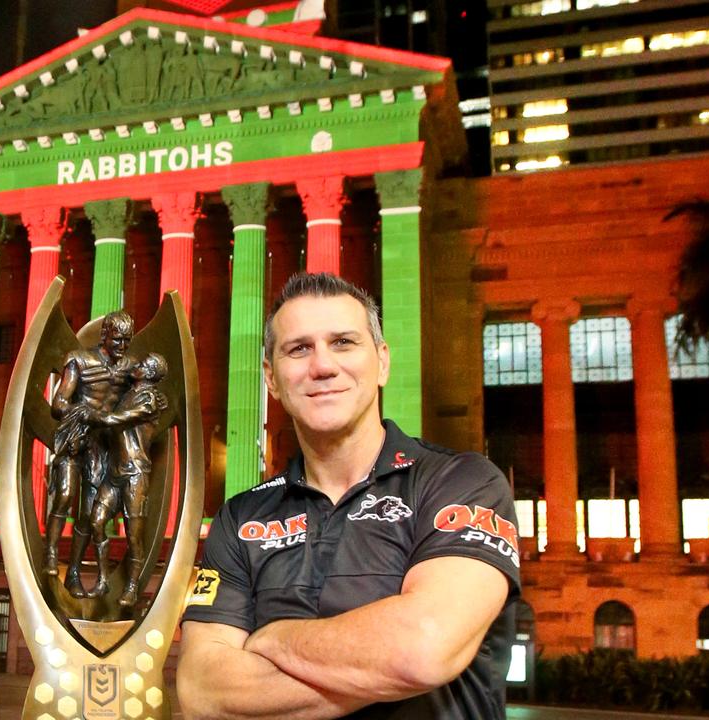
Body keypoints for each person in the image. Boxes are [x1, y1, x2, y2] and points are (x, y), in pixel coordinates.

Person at [178, 272, 520, 719]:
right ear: (272, 379)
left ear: (381, 362)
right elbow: (203, 692)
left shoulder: (462, 483)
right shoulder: (239, 518)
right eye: (298, 348)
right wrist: (371, 664)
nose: (322, 365)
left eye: (343, 342)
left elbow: (421, 648)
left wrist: (272, 639)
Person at [41, 311, 134, 597]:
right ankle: (51, 556)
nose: (121, 346)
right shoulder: (79, 360)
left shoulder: (130, 367)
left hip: (103, 446)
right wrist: (84, 412)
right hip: (74, 437)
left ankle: (75, 573)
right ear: (104, 335)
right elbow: (58, 404)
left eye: (126, 341)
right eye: (117, 339)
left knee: (89, 513)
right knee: (66, 494)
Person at [90, 352, 168, 606]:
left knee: (134, 537)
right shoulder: (127, 394)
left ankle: (132, 587)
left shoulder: (150, 399)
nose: (138, 365)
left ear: (151, 374)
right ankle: (103, 580)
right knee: (97, 522)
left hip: (136, 473)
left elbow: (117, 419)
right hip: (114, 472)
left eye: (144, 365)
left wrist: (96, 417)